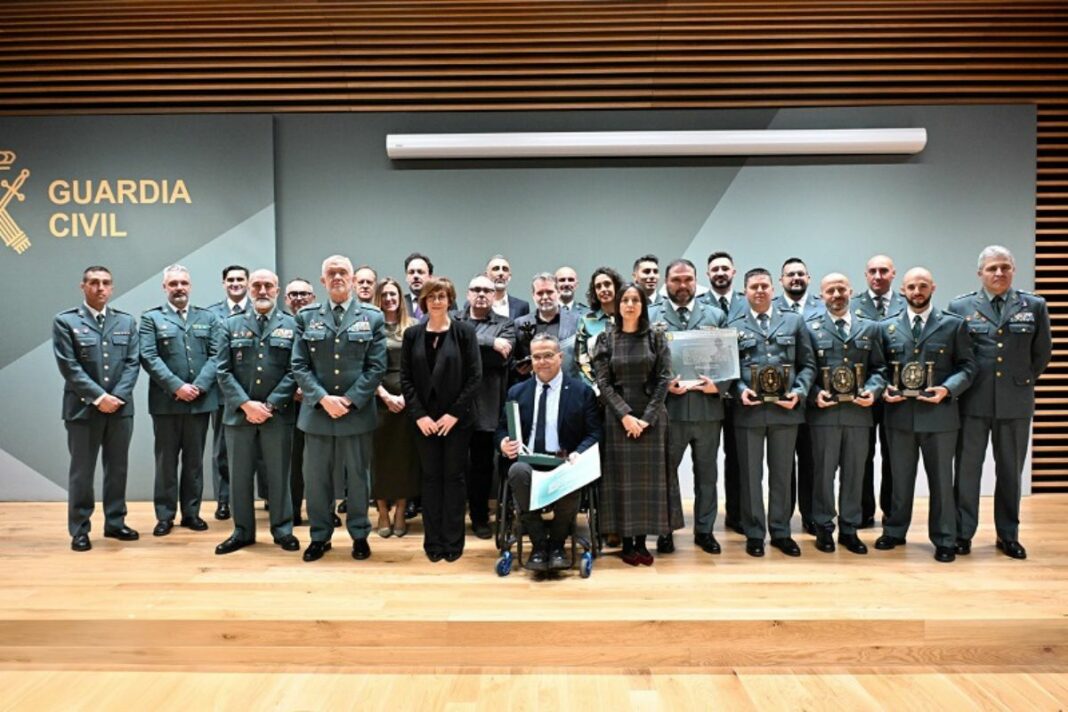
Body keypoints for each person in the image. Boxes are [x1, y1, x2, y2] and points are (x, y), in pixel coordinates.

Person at [948, 246, 1051, 559]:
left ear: (1013, 271)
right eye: (992, 268)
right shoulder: (961, 305)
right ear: (980, 273)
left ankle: (1008, 535)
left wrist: (1019, 381)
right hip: (973, 401)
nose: (999, 273)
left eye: (1005, 267)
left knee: (1010, 472)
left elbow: (1042, 353)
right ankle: (963, 533)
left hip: (1014, 402)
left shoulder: (1033, 305)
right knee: (967, 471)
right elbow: (956, 354)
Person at [291, 255, 387, 562]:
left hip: (355, 414)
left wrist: (347, 400)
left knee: (358, 479)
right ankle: (319, 536)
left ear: (353, 278)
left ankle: (359, 534)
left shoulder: (372, 317)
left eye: (342, 272)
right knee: (316, 480)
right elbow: (299, 365)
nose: (337, 277)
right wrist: (322, 398)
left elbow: (376, 367)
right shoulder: (306, 317)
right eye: (330, 273)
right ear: (322, 281)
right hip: (317, 414)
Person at [877, 267, 976, 563]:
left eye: (922, 286)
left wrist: (947, 389)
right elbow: (879, 369)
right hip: (900, 416)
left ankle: (945, 539)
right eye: (911, 287)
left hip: (940, 416)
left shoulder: (953, 325)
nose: (917, 292)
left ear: (933, 287)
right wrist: (884, 388)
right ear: (903, 290)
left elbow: (968, 367)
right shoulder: (887, 327)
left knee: (942, 482)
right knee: (898, 479)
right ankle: (894, 530)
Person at [727, 267, 817, 558]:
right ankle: (754, 533)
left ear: (773, 289)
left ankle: (781, 531)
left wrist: (799, 392)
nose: (760, 291)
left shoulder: (793, 321)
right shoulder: (734, 325)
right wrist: (740, 389)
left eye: (764, 286)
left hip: (785, 412)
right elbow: (728, 368)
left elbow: (808, 365)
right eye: (754, 287)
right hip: (748, 412)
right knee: (751, 477)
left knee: (782, 474)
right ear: (745, 291)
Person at [592, 283, 682, 566]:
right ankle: (627, 542)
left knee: (648, 484)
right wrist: (626, 415)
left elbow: (663, 379)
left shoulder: (655, 337)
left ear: (643, 305)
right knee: (621, 483)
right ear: (618, 306)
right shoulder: (606, 340)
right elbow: (603, 383)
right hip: (619, 419)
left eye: (635, 300)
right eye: (625, 300)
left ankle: (643, 542)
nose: (630, 304)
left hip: (652, 420)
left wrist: (647, 418)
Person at [53, 266, 141, 551]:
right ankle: (80, 528)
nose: (100, 288)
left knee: (118, 470)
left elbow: (132, 363)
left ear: (112, 288)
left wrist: (116, 396)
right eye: (94, 283)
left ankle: (115, 522)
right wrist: (99, 397)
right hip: (82, 410)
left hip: (119, 409)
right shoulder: (66, 322)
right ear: (83, 287)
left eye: (105, 283)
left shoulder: (126, 322)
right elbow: (70, 366)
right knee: (82, 472)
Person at [497, 334, 603, 571]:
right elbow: (502, 428)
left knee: (571, 475)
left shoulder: (581, 392)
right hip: (527, 461)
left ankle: (556, 544)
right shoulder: (517, 391)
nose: (542, 361)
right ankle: (537, 544)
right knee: (517, 471)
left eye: (548, 356)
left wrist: (579, 453)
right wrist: (503, 442)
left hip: (565, 460)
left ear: (560, 357)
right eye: (537, 357)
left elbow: (594, 433)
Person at [213, 269, 300, 554]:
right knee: (239, 476)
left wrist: (270, 404)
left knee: (278, 475)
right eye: (257, 286)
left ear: (277, 290)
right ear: (249, 289)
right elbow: (223, 371)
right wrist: (246, 404)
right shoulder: (230, 324)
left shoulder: (291, 324)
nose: (262, 291)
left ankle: (282, 529)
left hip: (277, 414)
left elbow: (294, 370)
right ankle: (242, 531)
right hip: (239, 416)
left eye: (268, 286)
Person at [650, 259, 729, 556]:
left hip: (708, 410)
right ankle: (665, 530)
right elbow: (645, 362)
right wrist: (663, 384)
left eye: (688, 280)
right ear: (666, 282)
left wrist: (718, 387)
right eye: (676, 280)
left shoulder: (715, 315)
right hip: (669, 411)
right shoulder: (651, 315)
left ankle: (705, 531)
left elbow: (729, 360)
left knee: (707, 476)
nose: (682, 286)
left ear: (696, 281)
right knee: (666, 475)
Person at [401, 277, 483, 562]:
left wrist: (453, 415)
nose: (437, 301)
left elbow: (475, 378)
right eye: (432, 296)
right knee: (431, 479)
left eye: (442, 296)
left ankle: (453, 542)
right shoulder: (412, 335)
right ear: (424, 301)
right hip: (423, 422)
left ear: (450, 300)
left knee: (454, 478)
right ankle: (433, 542)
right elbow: (406, 379)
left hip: (456, 422)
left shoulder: (464, 333)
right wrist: (420, 415)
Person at [805, 273, 887, 555]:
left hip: (858, 414)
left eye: (841, 289)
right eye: (830, 290)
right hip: (824, 415)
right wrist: (815, 393)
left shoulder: (870, 328)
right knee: (823, 475)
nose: (837, 294)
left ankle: (850, 529)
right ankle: (824, 528)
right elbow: (805, 368)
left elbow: (881, 369)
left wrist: (874, 391)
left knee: (855, 474)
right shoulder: (809, 328)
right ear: (822, 295)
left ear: (851, 291)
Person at [138, 264, 218, 537]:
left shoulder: (207, 318)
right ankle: (165, 515)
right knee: (166, 461)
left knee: (195, 461)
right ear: (164, 288)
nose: (179, 288)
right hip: (166, 403)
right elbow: (149, 356)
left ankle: (192, 514)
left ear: (190, 286)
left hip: (199, 401)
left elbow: (217, 356)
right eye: (173, 284)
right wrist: (177, 387)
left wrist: (198, 386)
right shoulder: (151, 319)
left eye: (183, 283)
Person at [456, 274, 516, 539]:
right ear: (467, 293)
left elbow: (498, 361)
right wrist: (490, 342)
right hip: (454, 409)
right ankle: (455, 518)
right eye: (475, 289)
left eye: (486, 290)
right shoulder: (453, 320)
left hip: (487, 407)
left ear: (494, 295)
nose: (481, 294)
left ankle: (480, 517)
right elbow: (453, 349)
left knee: (482, 468)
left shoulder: (506, 324)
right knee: (454, 467)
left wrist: (473, 349)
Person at [850, 254, 907, 528]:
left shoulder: (907, 303)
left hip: (898, 396)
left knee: (894, 457)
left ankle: (892, 512)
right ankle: (862, 511)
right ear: (865, 275)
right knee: (862, 455)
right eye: (872, 271)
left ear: (893, 274)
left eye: (883, 270)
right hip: (861, 395)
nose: (878, 276)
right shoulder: (852, 305)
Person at [772, 257, 824, 535]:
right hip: (780, 403)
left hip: (816, 401)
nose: (795, 278)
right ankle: (783, 517)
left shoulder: (822, 306)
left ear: (809, 278)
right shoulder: (769, 307)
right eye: (790, 274)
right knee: (782, 464)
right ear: (781, 280)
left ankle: (811, 515)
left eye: (800, 274)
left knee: (811, 461)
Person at [698, 251, 745, 534]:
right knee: (707, 462)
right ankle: (707, 519)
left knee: (738, 458)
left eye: (724, 268)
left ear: (733, 271)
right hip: (706, 395)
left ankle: (737, 514)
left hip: (738, 396)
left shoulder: (746, 303)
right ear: (708, 274)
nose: (720, 272)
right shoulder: (700, 306)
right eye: (714, 269)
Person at [370, 278, 421, 538]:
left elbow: (419, 366)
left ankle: (400, 510)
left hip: (407, 399)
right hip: (378, 400)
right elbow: (365, 366)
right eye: (384, 295)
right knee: (379, 458)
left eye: (394, 294)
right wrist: (384, 395)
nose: (389, 299)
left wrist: (405, 397)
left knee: (404, 458)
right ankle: (381, 512)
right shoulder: (368, 326)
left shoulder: (412, 326)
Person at [207, 265, 252, 521]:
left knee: (261, 452)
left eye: (240, 279)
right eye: (230, 279)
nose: (235, 283)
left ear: (247, 282)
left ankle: (266, 496)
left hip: (257, 392)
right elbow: (213, 355)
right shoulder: (212, 314)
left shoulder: (258, 309)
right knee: (222, 451)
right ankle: (224, 500)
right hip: (225, 393)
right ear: (224, 283)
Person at [283, 277, 317, 526]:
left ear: (313, 297)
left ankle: (324, 510)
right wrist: (292, 388)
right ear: (286, 299)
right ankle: (292, 510)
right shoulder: (281, 324)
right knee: (291, 461)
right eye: (293, 294)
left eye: (304, 294)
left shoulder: (320, 321)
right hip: (287, 402)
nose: (298, 298)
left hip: (316, 400)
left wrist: (309, 389)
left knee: (321, 461)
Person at [513, 273, 581, 381]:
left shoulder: (577, 321)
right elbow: (514, 359)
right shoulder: (520, 323)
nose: (545, 297)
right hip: (533, 388)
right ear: (533, 296)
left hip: (569, 387)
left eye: (549, 292)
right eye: (540, 293)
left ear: (558, 293)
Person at [575, 266, 623, 391]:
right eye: (598, 286)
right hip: (599, 391)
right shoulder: (585, 321)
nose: (603, 289)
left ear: (616, 287)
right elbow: (582, 361)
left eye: (607, 284)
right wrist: (596, 386)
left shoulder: (628, 316)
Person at [487, 254, 530, 320]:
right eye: (496, 269)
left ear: (509, 277)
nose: (501, 273)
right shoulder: (478, 304)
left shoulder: (522, 307)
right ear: (487, 275)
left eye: (505, 269)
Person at [403, 252, 432, 319]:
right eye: (411, 272)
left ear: (430, 277)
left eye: (420, 272)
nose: (415, 276)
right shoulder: (399, 302)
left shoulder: (442, 301)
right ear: (406, 277)